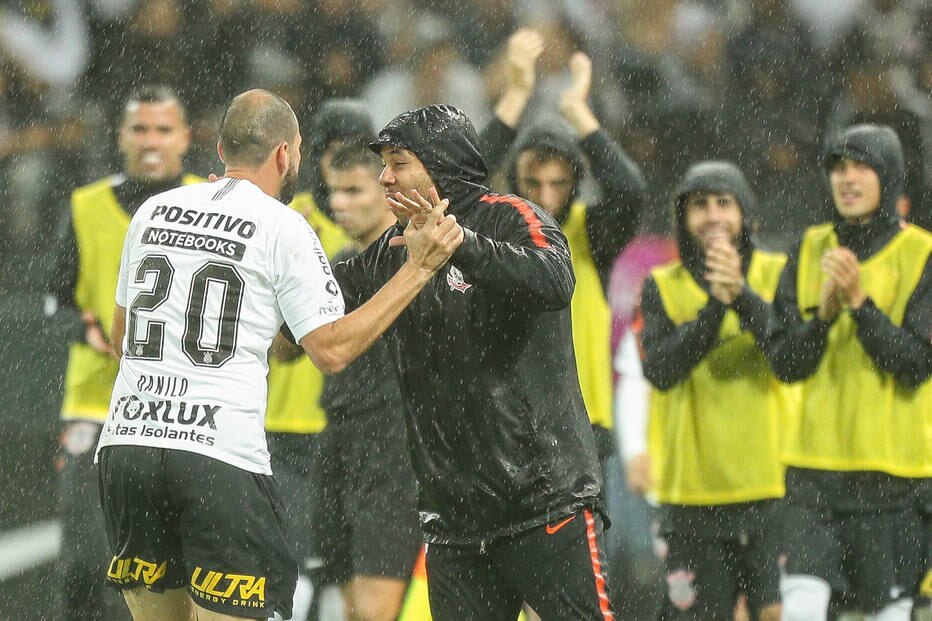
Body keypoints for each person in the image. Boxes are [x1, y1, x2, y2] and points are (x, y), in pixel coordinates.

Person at [94, 89, 462, 621]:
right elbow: (332, 350)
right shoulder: (282, 225)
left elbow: (121, 334)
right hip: (216, 454)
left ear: (220, 148)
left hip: (127, 448)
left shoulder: (153, 210)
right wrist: (418, 269)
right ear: (286, 155)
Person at [343, 103, 614, 619]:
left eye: (397, 163)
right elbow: (317, 307)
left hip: (546, 502)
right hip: (454, 523)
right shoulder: (389, 250)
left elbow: (557, 279)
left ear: (438, 166)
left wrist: (461, 245)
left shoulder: (512, 215)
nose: (383, 177)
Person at [760, 124, 932, 620]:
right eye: (838, 167)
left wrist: (860, 303)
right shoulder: (807, 248)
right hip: (813, 474)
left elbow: (916, 366)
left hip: (894, 477)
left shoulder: (922, 256)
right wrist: (825, 318)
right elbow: (787, 364)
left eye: (861, 166)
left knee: (886, 615)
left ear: (890, 176)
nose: (846, 178)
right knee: (801, 609)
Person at [43, 84, 196, 621]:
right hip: (99, 404)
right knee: (85, 562)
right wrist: (84, 329)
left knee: (175, 564)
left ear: (185, 137)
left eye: (162, 128)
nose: (150, 140)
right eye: (139, 128)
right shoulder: (85, 206)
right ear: (121, 137)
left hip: (184, 410)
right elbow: (54, 300)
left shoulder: (214, 201)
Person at [637, 161, 793, 621]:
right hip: (691, 495)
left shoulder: (777, 271)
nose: (712, 216)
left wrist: (741, 294)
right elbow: (661, 371)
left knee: (774, 613)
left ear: (746, 212)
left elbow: (789, 361)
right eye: (699, 205)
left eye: (724, 203)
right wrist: (713, 307)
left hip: (770, 483)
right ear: (682, 217)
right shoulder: (660, 285)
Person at [506, 50, 645, 462]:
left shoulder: (590, 234)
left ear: (575, 184)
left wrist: (578, 114)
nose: (545, 197)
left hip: (583, 425)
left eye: (558, 183)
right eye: (534, 182)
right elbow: (456, 183)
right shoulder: (495, 232)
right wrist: (515, 96)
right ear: (515, 178)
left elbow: (630, 191)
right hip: (513, 424)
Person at [312, 141, 421, 621]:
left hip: (394, 443)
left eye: (354, 191)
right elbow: (286, 349)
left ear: (385, 190)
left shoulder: (418, 260)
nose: (339, 204)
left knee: (377, 604)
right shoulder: (333, 265)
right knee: (344, 601)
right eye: (334, 192)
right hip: (338, 435)